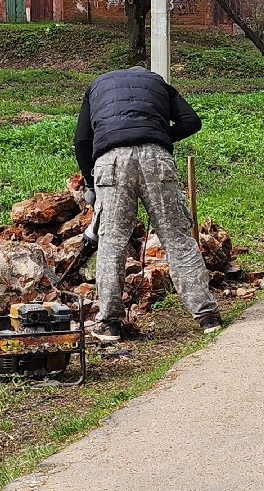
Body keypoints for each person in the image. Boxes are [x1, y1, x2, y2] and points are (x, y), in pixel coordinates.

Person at [73, 67, 221, 344]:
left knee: (112, 244)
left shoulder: (96, 86)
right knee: (177, 239)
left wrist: (90, 185)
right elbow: (191, 121)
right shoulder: (157, 82)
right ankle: (207, 316)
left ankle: (110, 324)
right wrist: (157, 135)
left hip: (111, 162)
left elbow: (82, 140)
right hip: (157, 159)